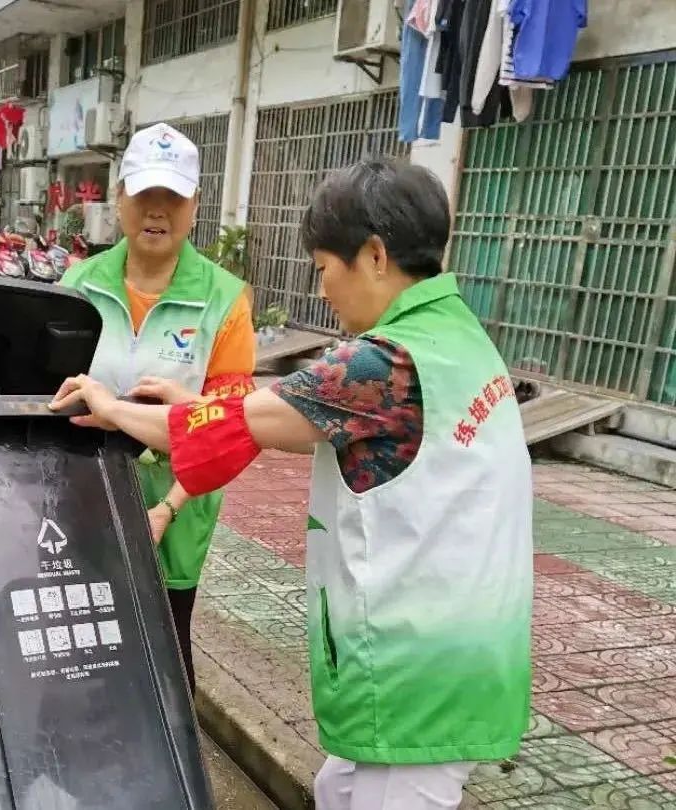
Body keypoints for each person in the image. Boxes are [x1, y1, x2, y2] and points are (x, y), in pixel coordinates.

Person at [51, 160, 533, 810]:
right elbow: (291, 408)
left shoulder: (385, 362)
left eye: (324, 265)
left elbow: (245, 422)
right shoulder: (455, 335)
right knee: (338, 788)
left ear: (375, 254)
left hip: (421, 670)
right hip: (465, 643)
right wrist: (197, 402)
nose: (323, 287)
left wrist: (112, 409)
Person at [58, 122, 256, 693]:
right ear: (118, 197)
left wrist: (167, 508)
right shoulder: (79, 285)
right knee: (87, 645)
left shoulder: (225, 300)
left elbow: (230, 428)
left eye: (173, 196)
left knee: (168, 653)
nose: (157, 210)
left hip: (179, 502)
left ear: (195, 206)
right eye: (145, 194)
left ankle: (172, 776)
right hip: (87, 498)